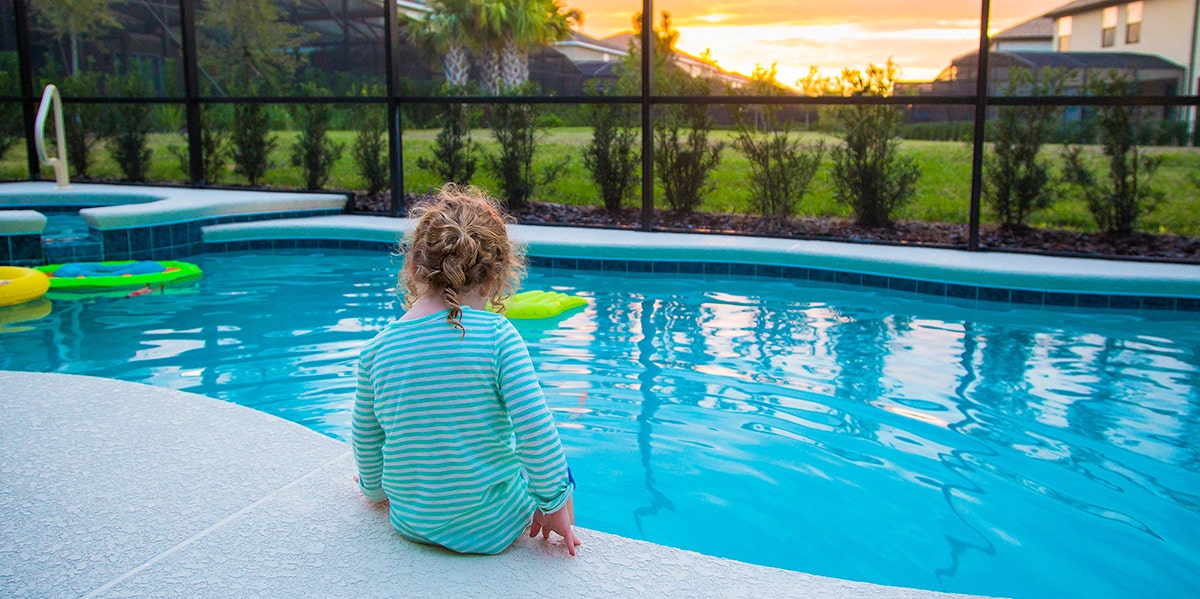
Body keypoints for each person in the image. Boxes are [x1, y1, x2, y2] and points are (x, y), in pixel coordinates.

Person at [352, 184, 579, 556]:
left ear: (415, 268)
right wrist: (554, 502)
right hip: (494, 525)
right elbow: (536, 431)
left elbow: (367, 438)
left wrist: (375, 493)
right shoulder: (499, 337)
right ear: (493, 282)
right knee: (559, 480)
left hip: (412, 521)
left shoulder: (376, 350)